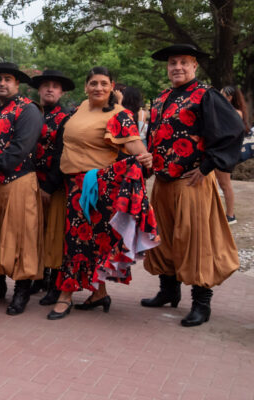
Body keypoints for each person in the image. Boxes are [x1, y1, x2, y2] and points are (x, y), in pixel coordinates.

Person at [142, 44, 244, 327]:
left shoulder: (205, 96)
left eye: (184, 62)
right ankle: (168, 290)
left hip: (192, 181)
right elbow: (155, 135)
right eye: (173, 62)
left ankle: (201, 302)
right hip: (163, 181)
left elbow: (233, 130)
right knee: (162, 237)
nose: (177, 67)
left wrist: (207, 165)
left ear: (194, 66)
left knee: (196, 240)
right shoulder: (161, 98)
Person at [48, 66, 157, 320]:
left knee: (77, 241)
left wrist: (146, 157)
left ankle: (65, 295)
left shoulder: (119, 115)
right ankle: (99, 293)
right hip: (73, 185)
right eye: (93, 83)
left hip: (96, 186)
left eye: (104, 84)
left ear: (112, 87)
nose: (98, 88)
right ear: (86, 86)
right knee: (91, 241)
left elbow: (134, 146)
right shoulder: (80, 109)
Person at [0, 62, 44, 315]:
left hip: (18, 182)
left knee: (20, 237)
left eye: (7, 79)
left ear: (17, 84)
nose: (2, 83)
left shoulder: (28, 110)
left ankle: (22, 290)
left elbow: (20, 148)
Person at [29, 70, 74, 305]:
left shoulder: (67, 118)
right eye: (46, 85)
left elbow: (62, 155)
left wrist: (49, 185)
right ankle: (38, 277)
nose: (49, 89)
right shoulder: (32, 114)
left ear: (62, 92)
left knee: (55, 235)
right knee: (35, 233)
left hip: (54, 186)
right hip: (29, 183)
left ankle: (56, 285)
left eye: (55, 86)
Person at [218, 85, 249, 224]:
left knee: (225, 184)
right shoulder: (227, 111)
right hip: (220, 152)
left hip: (225, 153)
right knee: (217, 183)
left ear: (229, 98)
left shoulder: (236, 113)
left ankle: (230, 215)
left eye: (222, 95)